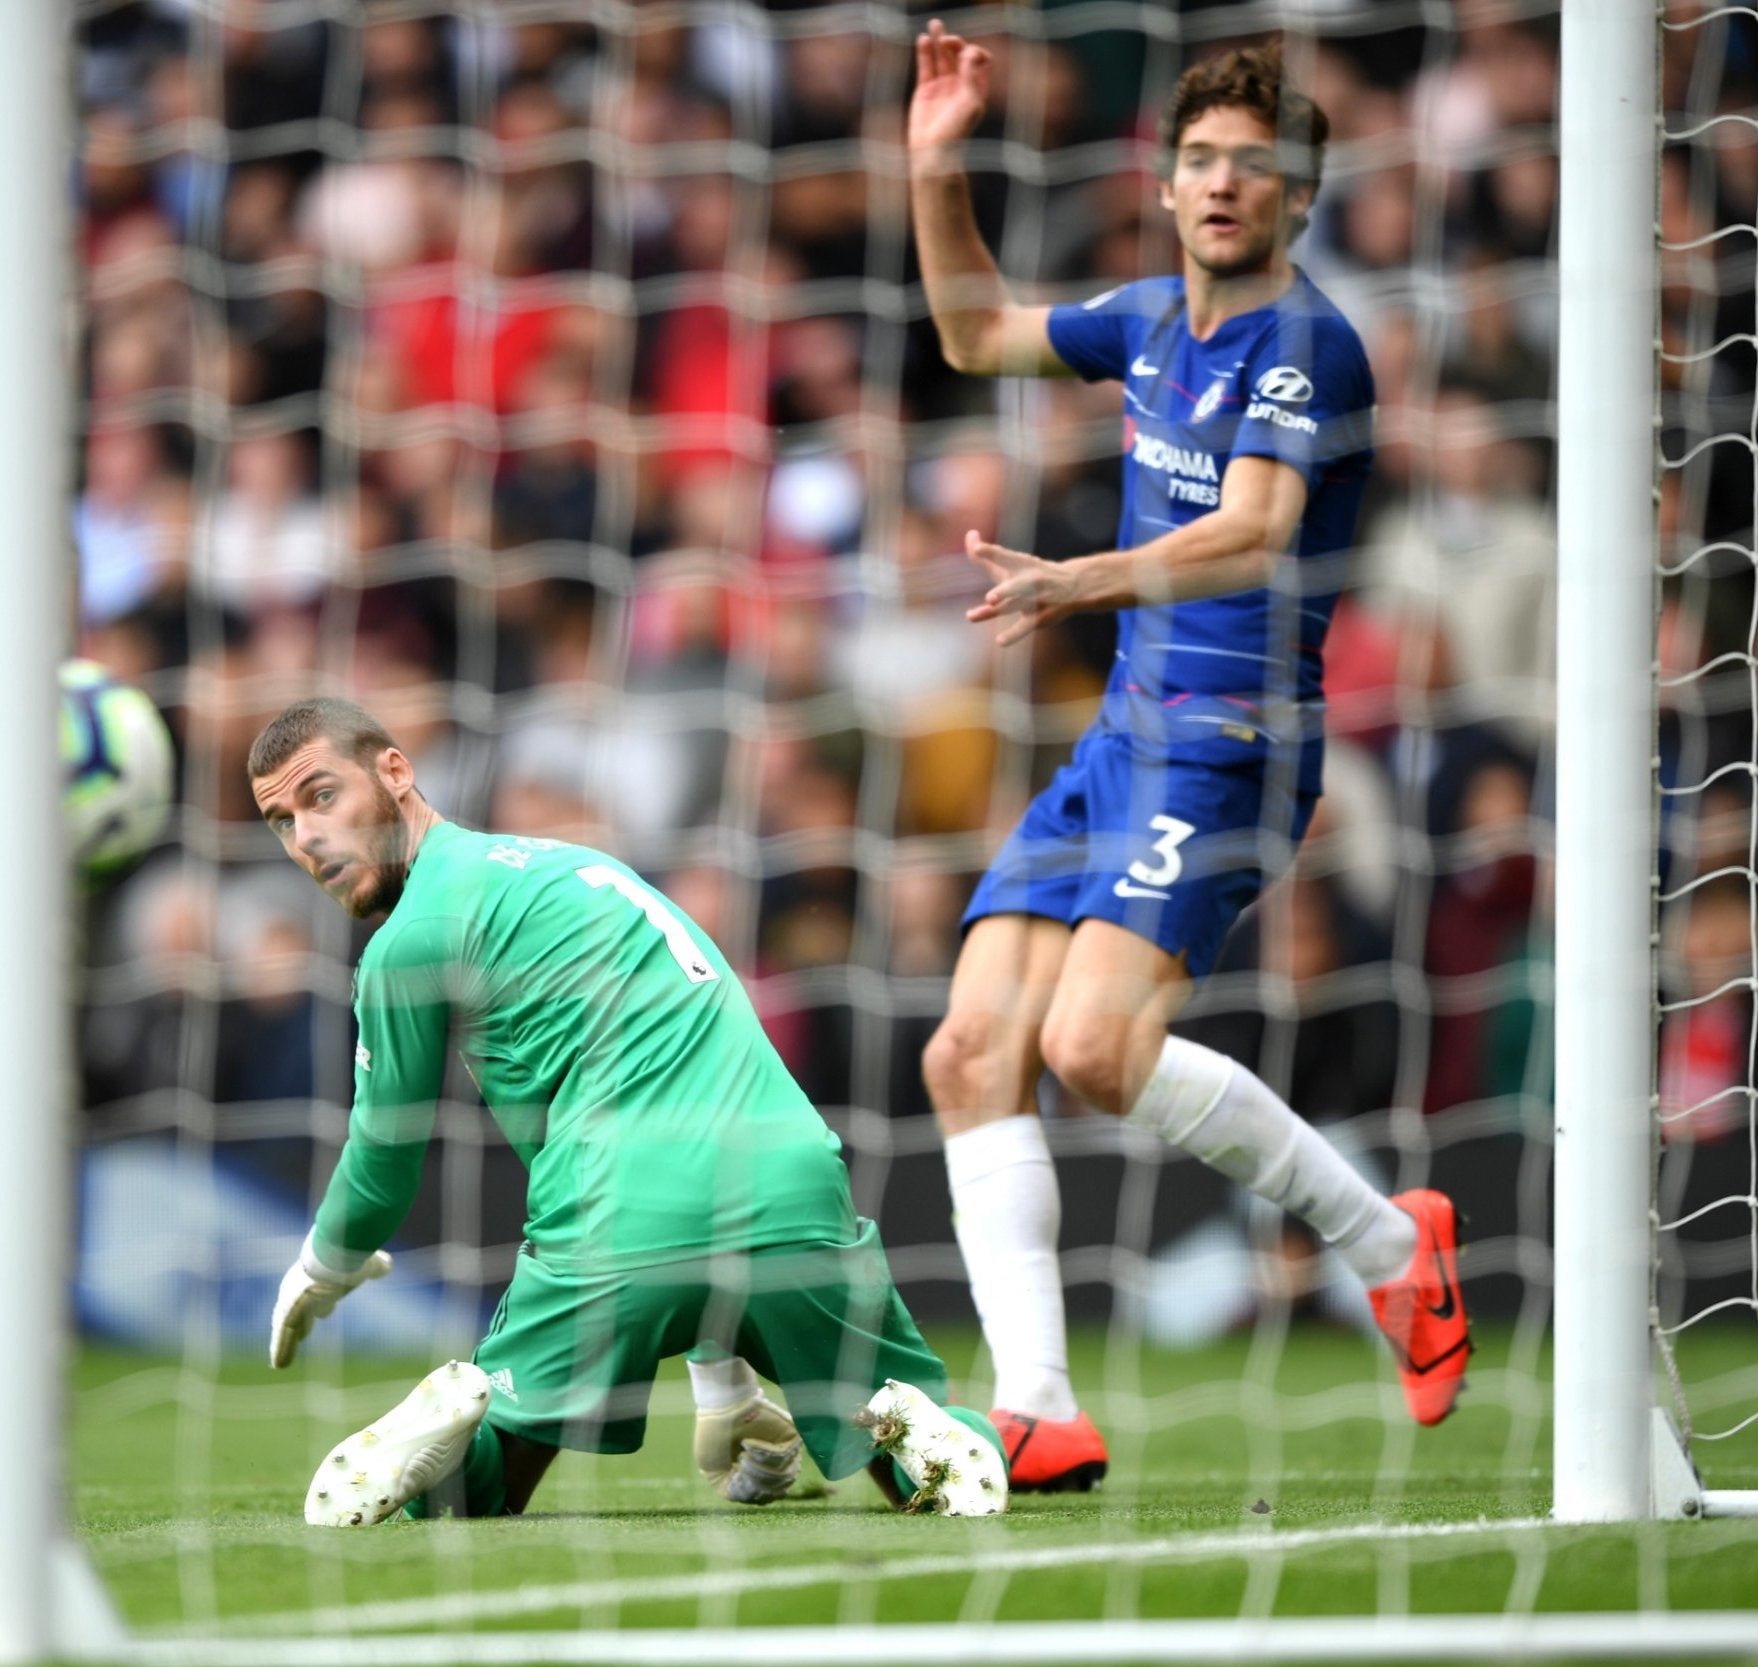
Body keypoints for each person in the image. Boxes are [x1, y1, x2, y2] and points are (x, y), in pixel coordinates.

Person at [906, 26, 1470, 1492]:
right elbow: (971, 332)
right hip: (1118, 741)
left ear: (1296, 199)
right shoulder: (1149, 317)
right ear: (1164, 185)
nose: (1224, 185)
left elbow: (1253, 528)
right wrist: (930, 162)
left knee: (1091, 1050)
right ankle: (1035, 1402)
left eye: (1255, 168)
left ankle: (1386, 1243)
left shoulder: (1308, 344)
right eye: (1201, 160)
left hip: (1228, 745)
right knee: (967, 1050)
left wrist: (1071, 581)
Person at [251, 696, 1006, 1523]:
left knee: (478, 1497)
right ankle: (931, 1431)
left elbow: (385, 1151)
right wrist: (723, 1371)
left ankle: (464, 1420)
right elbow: (684, 1080)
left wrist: (325, 1264)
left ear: (394, 770)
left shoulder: (410, 941)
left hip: (614, 1212)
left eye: (320, 796)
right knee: (912, 1458)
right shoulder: (582, 870)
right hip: (793, 1181)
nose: (308, 837)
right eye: (281, 822)